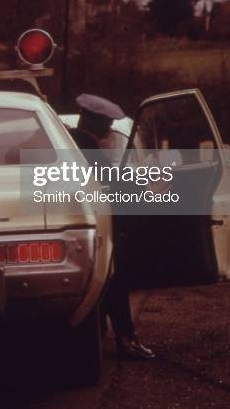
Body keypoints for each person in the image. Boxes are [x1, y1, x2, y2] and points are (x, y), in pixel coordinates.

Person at [68, 94, 156, 361]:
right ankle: (126, 339)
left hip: (75, 228)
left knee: (104, 284)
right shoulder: (88, 150)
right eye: (105, 124)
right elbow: (114, 185)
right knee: (113, 280)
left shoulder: (69, 143)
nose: (108, 130)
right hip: (94, 229)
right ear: (94, 124)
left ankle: (111, 333)